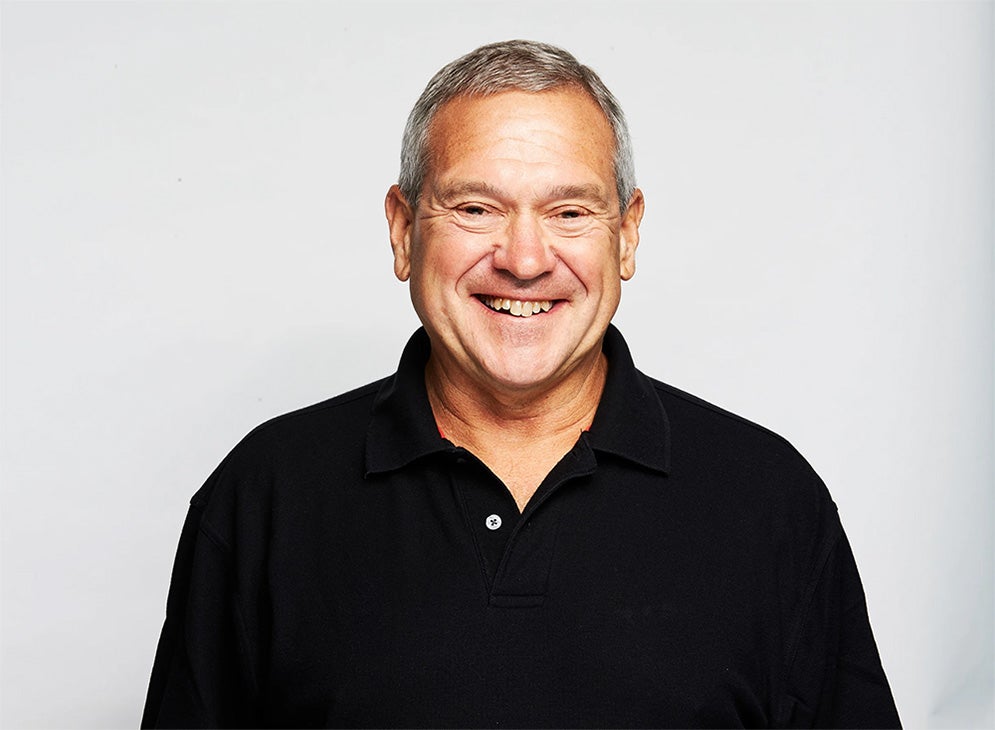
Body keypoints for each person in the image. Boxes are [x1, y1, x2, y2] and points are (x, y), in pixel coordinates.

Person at [142, 40, 901, 728]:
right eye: (476, 208)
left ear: (626, 233)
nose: (526, 259)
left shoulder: (767, 500)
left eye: (569, 211)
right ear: (404, 230)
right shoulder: (264, 495)